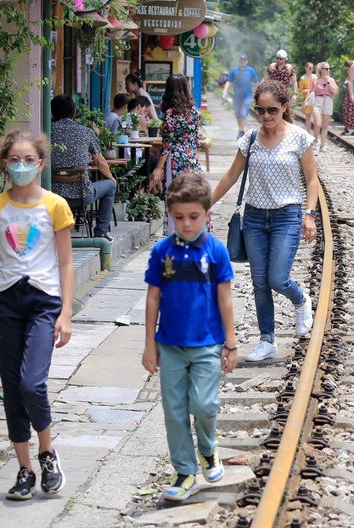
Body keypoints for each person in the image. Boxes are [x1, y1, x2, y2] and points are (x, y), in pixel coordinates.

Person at [0, 128, 74, 501]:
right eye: (14, 159)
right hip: (5, 303)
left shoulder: (55, 206)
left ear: (41, 163)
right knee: (12, 390)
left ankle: (47, 453)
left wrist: (66, 313)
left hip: (43, 301)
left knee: (33, 383)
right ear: (4, 162)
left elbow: (66, 263)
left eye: (29, 159)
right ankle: (24, 469)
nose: (21, 166)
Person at [142, 173, 238, 502]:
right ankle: (184, 471)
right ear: (170, 214)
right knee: (174, 410)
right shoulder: (161, 253)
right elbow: (153, 297)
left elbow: (225, 299)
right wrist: (149, 345)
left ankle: (208, 451)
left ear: (207, 215)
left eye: (193, 217)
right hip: (169, 346)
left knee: (204, 404)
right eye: (179, 217)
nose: (186, 224)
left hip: (208, 344)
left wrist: (231, 343)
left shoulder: (216, 252)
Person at [210, 80, 318, 362]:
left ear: (284, 107)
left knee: (277, 278)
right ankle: (267, 340)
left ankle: (301, 300)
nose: (266, 115)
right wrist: (206, 205)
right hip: (254, 217)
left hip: (287, 216)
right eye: (260, 110)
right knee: (259, 283)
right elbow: (231, 176)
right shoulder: (249, 140)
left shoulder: (299, 138)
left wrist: (309, 214)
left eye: (272, 109)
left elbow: (312, 179)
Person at [50, 94, 117, 241]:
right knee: (110, 186)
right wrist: (112, 178)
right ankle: (100, 233)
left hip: (52, 195)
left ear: (52, 113)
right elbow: (101, 162)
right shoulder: (86, 132)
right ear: (74, 113)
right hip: (81, 195)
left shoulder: (46, 132)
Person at [149, 75, 203, 232]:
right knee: (192, 196)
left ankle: (175, 233)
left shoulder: (170, 114)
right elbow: (197, 141)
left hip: (175, 160)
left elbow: (167, 144)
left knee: (175, 196)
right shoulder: (195, 112)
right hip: (192, 159)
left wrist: (159, 167)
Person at [222, 55, 259, 138]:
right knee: (238, 114)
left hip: (247, 96)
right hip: (237, 96)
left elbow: (256, 83)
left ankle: (241, 131)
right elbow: (229, 81)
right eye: (241, 60)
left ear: (247, 61)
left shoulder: (251, 71)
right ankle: (241, 130)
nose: (243, 62)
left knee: (243, 113)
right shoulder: (234, 71)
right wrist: (225, 90)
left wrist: (258, 93)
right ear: (239, 61)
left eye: (244, 60)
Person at [310, 61, 339, 152]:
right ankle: (315, 142)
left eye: (329, 69)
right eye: (326, 69)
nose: (328, 70)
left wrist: (328, 83)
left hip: (328, 101)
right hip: (318, 102)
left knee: (325, 126)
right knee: (317, 124)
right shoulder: (315, 80)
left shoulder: (331, 80)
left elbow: (335, 92)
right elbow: (311, 91)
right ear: (321, 70)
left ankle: (323, 145)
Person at [341, 59, 354, 136]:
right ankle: (346, 128)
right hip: (349, 94)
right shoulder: (350, 74)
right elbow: (347, 81)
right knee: (347, 110)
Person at [298, 61, 317, 134]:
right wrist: (309, 90)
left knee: (316, 117)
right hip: (307, 99)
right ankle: (308, 133)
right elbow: (301, 90)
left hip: (315, 99)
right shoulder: (303, 78)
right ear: (306, 68)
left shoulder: (315, 77)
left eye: (312, 68)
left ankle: (316, 133)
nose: (311, 69)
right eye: (310, 68)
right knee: (308, 117)